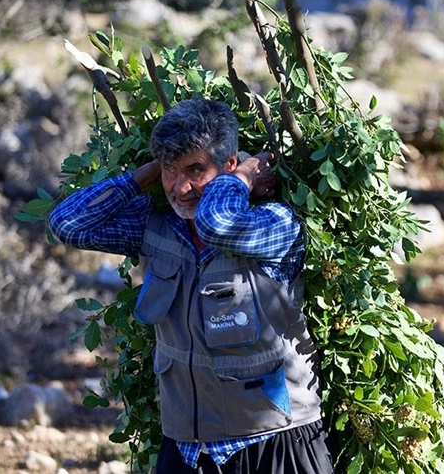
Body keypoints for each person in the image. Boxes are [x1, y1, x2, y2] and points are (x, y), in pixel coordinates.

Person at [49, 98, 336, 473]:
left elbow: (216, 224)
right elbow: (68, 224)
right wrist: (150, 171)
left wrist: (243, 177)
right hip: (186, 450)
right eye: (171, 170)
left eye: (195, 169)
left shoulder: (274, 222)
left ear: (229, 164)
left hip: (273, 442)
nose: (181, 187)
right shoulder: (158, 226)